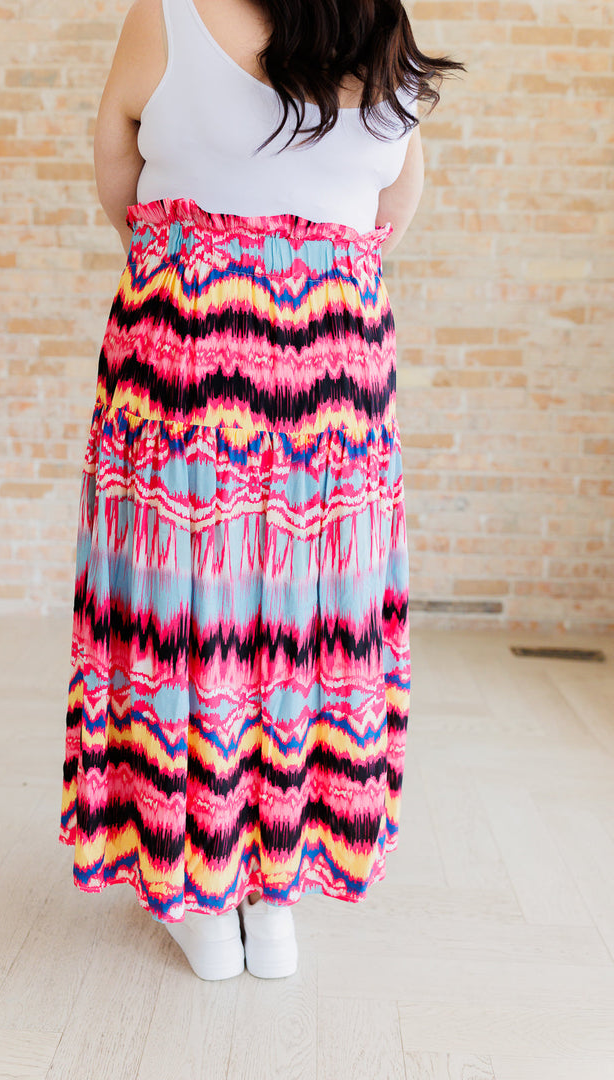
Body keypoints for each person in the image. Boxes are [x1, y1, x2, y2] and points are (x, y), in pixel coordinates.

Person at [59, 0, 463, 981]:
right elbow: (394, 206)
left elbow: (116, 171)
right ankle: (274, 900)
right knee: (309, 625)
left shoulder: (168, 15)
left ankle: (196, 895)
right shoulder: (382, 24)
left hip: (190, 345)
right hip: (336, 361)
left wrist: (206, 253)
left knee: (186, 620)